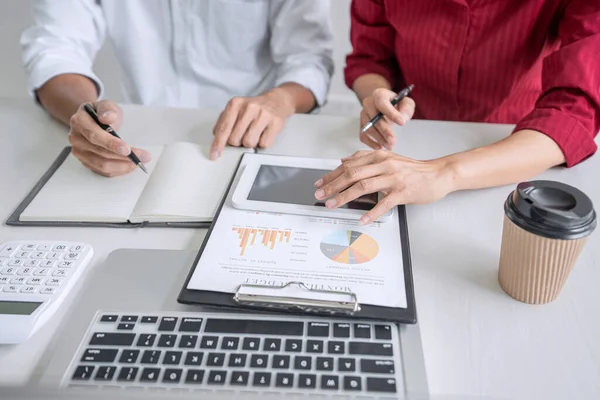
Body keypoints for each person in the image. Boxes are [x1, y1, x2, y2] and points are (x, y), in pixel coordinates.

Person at [315, 0, 600, 225]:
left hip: (518, 156)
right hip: (409, 141)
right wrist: (376, 92)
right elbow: (369, 58)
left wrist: (443, 172)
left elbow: (574, 114)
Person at [21, 0, 334, 177]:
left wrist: (279, 101)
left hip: (257, 142)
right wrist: (89, 116)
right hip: (138, 139)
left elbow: (308, 58)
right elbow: (54, 49)